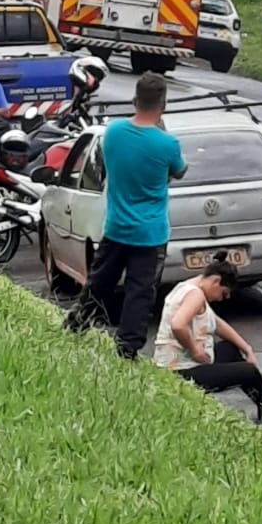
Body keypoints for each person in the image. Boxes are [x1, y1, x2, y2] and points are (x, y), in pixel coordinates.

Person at [65, 71, 187, 358]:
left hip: (117, 227)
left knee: (100, 282)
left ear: (134, 100)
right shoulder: (167, 144)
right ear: (164, 105)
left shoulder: (114, 132)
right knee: (140, 293)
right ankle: (127, 348)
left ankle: (77, 324)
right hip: (150, 233)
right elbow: (179, 170)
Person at [154, 258, 262, 427]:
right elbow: (178, 325)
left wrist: (246, 348)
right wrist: (194, 349)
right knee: (248, 372)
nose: (222, 299)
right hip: (180, 372)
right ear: (216, 281)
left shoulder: (186, 287)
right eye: (223, 293)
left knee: (230, 349)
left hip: (182, 365)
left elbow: (218, 324)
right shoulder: (196, 295)